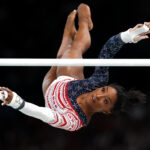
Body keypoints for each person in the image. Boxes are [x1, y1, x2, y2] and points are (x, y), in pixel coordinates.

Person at [0, 3, 150, 131]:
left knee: (61, 56)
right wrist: (129, 36)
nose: (98, 95)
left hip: (49, 95)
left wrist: (15, 101)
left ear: (107, 111)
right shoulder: (97, 82)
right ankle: (84, 23)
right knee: (73, 50)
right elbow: (108, 50)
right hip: (67, 78)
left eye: (105, 101)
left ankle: (69, 34)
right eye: (104, 90)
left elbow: (43, 114)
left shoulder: (75, 121)